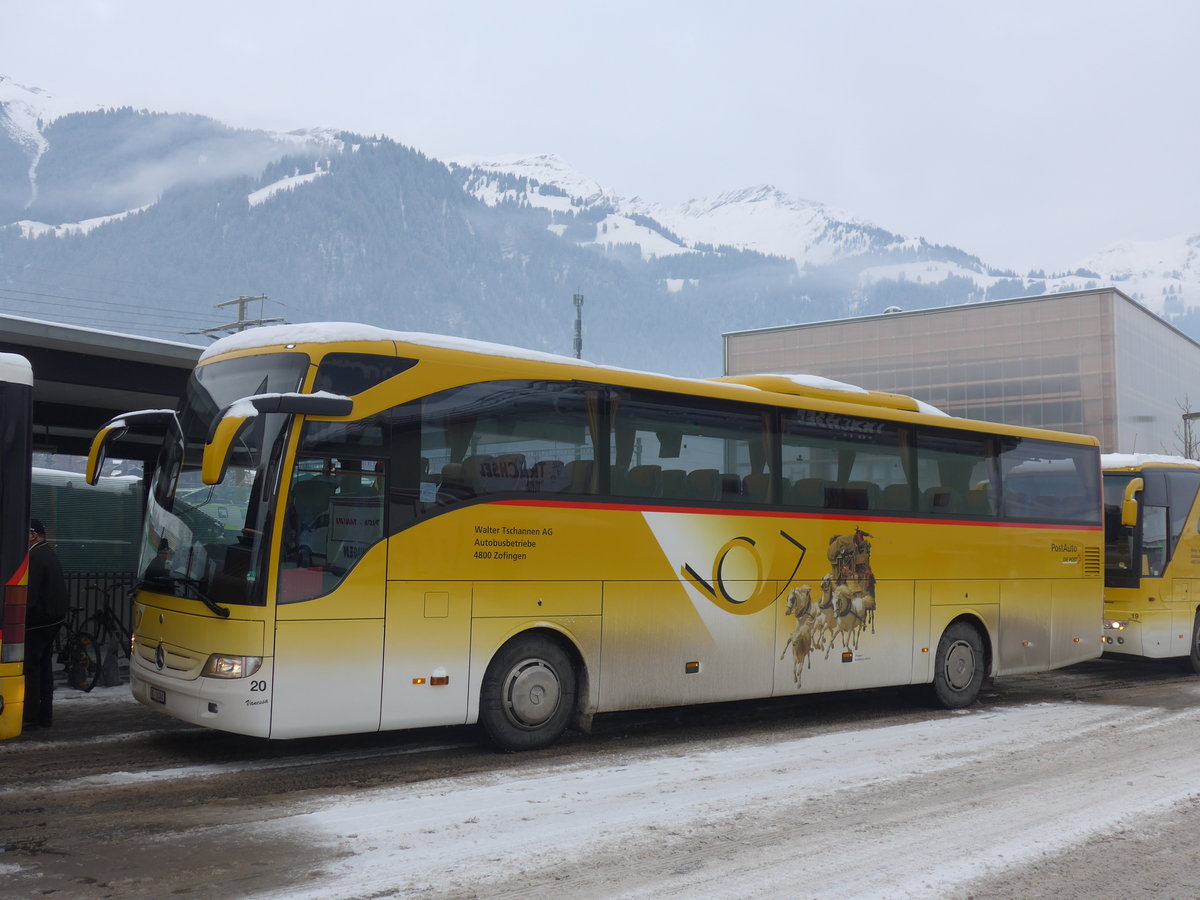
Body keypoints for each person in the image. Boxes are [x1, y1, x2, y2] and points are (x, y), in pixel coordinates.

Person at [25, 518, 68, 728]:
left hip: (38, 623)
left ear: (33, 535)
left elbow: (29, 596)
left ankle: (30, 716)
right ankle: (45, 715)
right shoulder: (48, 553)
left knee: (31, 667)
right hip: (52, 620)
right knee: (44, 668)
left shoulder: (34, 556)